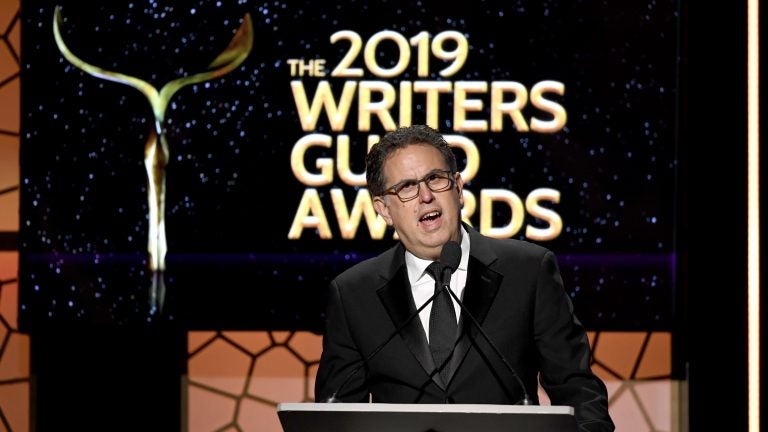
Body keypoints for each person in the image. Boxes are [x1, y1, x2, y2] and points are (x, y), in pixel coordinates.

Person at [314, 125, 614, 432]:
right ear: (384, 209)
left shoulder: (528, 270)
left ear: (457, 187)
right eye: (406, 187)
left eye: (435, 179)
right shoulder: (353, 293)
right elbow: (335, 413)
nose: (426, 196)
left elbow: (578, 390)